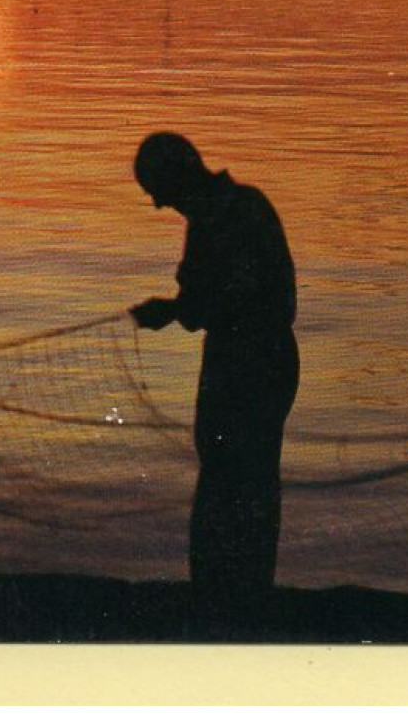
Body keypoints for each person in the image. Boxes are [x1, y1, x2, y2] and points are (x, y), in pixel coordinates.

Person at [130, 133, 299, 625]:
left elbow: (228, 301)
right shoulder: (228, 210)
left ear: (179, 176)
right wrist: (179, 310)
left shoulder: (227, 217)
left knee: (236, 476)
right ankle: (239, 588)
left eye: (158, 190)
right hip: (252, 357)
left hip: (252, 361)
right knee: (242, 474)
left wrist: (174, 311)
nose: (160, 204)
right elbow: (210, 301)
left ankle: (230, 593)